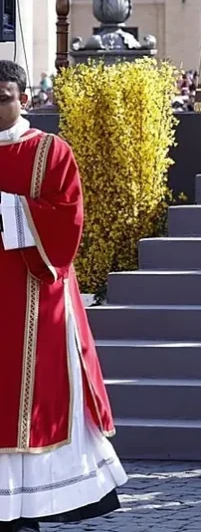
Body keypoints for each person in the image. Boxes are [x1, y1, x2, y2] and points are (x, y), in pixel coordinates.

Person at [0, 61, 127, 532]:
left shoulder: (50, 151)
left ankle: (32, 506)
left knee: (35, 397)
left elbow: (66, 221)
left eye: (3, 97)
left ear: (24, 99)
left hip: (36, 293)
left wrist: (5, 207)